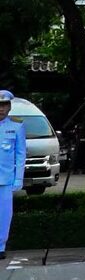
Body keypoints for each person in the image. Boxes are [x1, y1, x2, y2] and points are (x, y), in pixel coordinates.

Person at [0, 90, 27, 259]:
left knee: (4, 214)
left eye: (4, 105)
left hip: (6, 178)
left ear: (9, 107)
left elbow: (20, 154)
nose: (1, 109)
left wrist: (19, 178)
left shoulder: (17, 126)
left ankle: (1, 246)